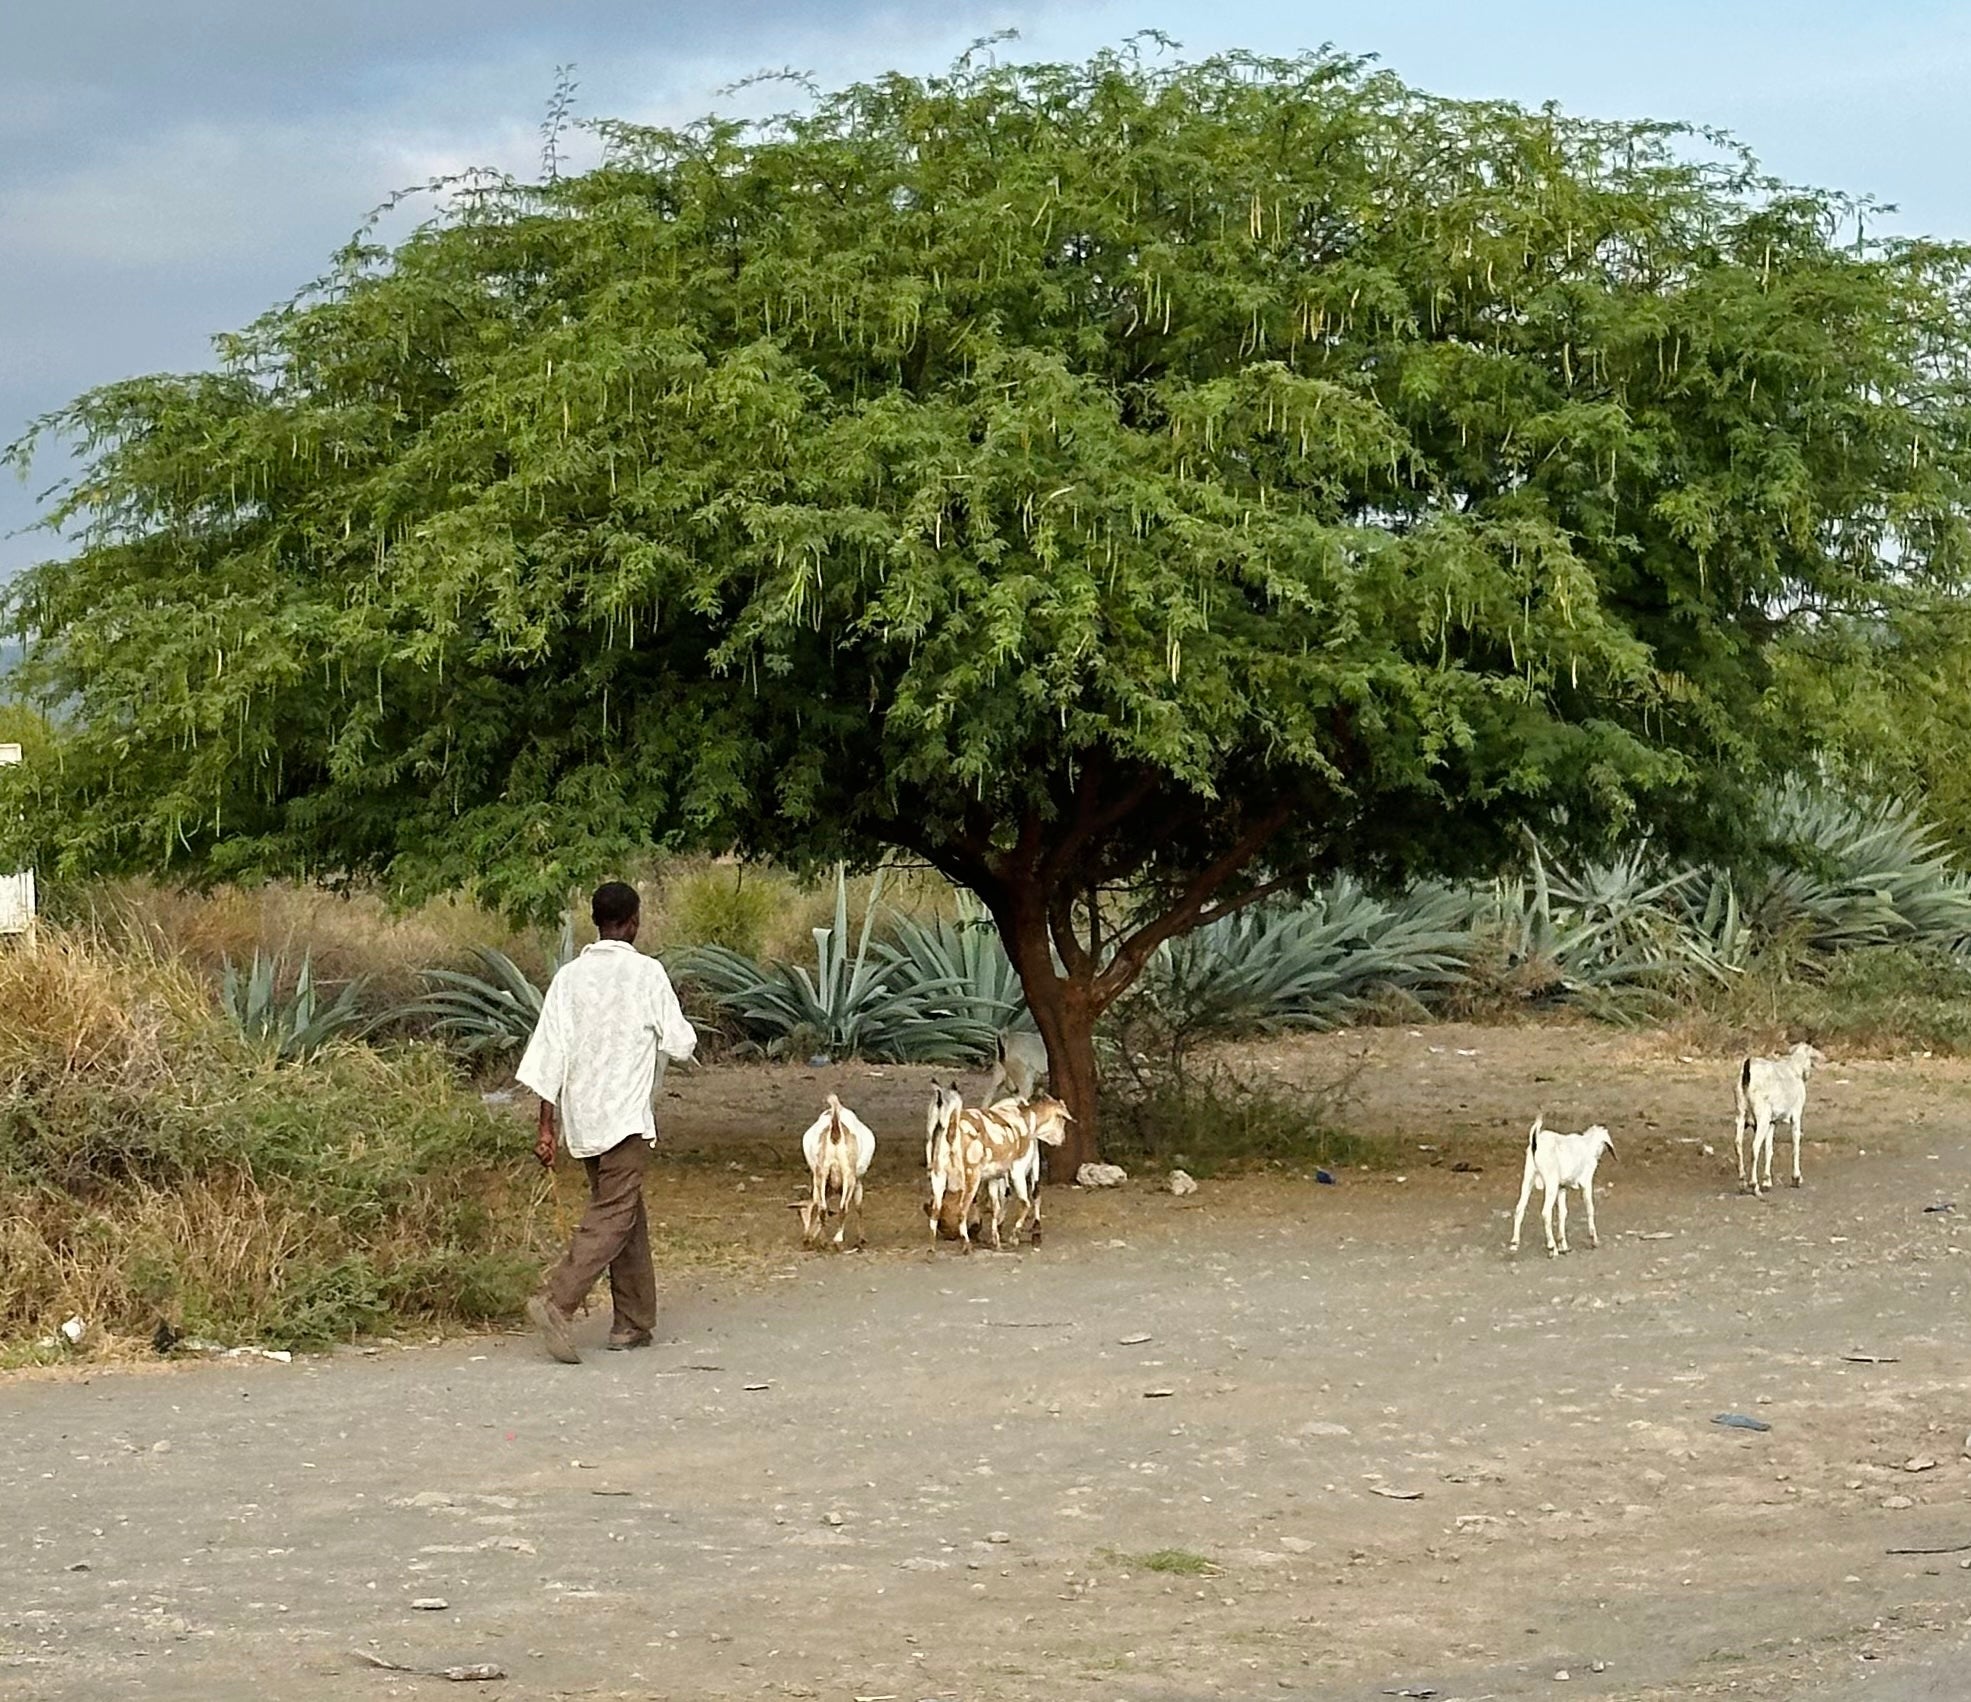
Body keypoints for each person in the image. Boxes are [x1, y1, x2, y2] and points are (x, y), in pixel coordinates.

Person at [516, 880, 697, 1363]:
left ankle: (633, 1324)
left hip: (584, 1120)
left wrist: (545, 1128)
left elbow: (546, 1059)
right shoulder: (647, 974)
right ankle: (558, 1299)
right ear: (634, 921)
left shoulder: (568, 979)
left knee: (625, 1214)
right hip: (627, 1119)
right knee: (614, 1215)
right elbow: (681, 1042)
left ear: (596, 921)